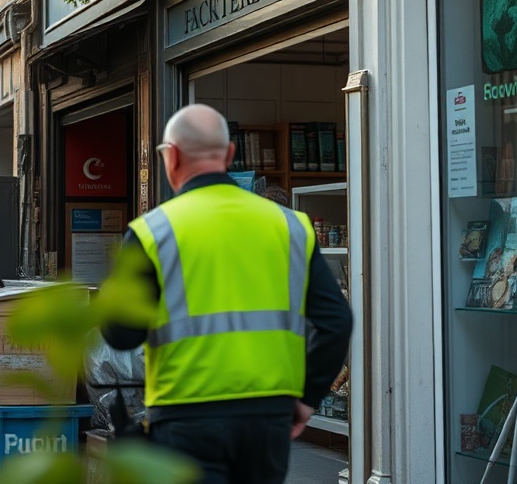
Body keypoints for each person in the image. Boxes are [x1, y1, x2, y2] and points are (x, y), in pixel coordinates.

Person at [100, 104, 353, 484]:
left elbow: (121, 334)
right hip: (267, 420)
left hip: (186, 417)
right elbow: (337, 321)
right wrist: (306, 399)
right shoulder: (291, 226)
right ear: (230, 154)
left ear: (171, 156)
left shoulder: (152, 232)